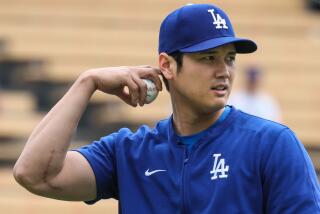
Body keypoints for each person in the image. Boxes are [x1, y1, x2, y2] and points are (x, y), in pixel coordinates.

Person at [13, 3, 320, 213]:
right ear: (167, 65)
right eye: (208, 57)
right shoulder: (129, 152)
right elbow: (35, 174)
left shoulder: (272, 144)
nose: (224, 71)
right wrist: (87, 82)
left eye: (229, 58)